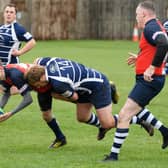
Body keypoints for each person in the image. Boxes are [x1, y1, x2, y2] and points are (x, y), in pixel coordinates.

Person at [25, 57, 156, 149]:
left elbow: (74, 98)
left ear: (42, 77)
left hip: (97, 86)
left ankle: (138, 119)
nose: (39, 87)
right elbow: (36, 60)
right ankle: (101, 126)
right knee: (82, 117)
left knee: (108, 123)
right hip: (83, 87)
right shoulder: (44, 62)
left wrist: (53, 95)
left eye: (38, 84)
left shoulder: (58, 84)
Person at [103, 1, 168, 161]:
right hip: (148, 80)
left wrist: (152, 67)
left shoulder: (150, 27)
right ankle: (165, 132)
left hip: (149, 80)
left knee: (125, 115)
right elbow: (156, 46)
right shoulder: (154, 25)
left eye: (137, 15)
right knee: (137, 110)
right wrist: (141, 58)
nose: (136, 18)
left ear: (144, 14)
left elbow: (164, 43)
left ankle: (113, 156)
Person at [0, 63, 67, 149]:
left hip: (49, 84)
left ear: (1, 68)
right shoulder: (4, 76)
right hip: (41, 87)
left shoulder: (15, 76)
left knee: (79, 104)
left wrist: (11, 113)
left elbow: (28, 99)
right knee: (46, 115)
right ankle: (61, 138)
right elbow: (6, 93)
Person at [0, 3, 36, 95]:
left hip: (11, 67)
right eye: (7, 12)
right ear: (3, 13)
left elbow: (32, 42)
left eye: (11, 12)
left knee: (7, 91)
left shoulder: (18, 29)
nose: (8, 14)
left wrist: (20, 52)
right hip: (2, 67)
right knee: (5, 91)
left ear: (15, 15)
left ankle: (30, 86)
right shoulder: (1, 28)